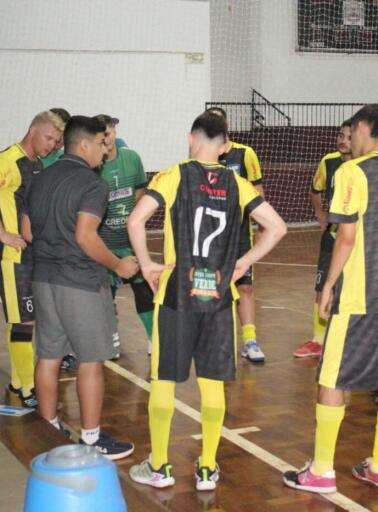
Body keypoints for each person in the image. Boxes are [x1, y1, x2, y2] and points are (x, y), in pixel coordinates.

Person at [127, 112, 286, 491]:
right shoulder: (238, 182)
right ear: (227, 145)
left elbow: (135, 222)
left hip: (177, 297)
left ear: (190, 138)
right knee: (212, 385)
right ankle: (207, 468)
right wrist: (243, 262)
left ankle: (161, 467)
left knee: (164, 380)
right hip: (218, 297)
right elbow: (277, 227)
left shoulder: (172, 175)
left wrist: (147, 264)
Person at [283, 104, 378, 493]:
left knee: (331, 379)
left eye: (352, 132)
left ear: (362, 129)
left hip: (359, 294)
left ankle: (321, 470)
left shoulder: (351, 172)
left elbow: (346, 236)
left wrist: (328, 285)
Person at [23, 115, 139, 459]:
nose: (107, 152)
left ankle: (48, 430)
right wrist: (119, 264)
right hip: (80, 284)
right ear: (85, 144)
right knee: (91, 360)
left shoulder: (39, 178)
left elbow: (28, 231)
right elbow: (85, 236)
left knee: (48, 356)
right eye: (103, 145)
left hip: (43, 279)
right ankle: (91, 439)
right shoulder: (93, 184)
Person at [0, 111, 64, 408]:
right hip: (12, 256)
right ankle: (28, 390)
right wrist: (2, 233)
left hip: (30, 254)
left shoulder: (35, 164)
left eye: (56, 141)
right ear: (32, 130)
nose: (51, 145)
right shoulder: (7, 160)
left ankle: (16, 379)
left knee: (21, 319)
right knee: (25, 321)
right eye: (48, 137)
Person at [205, 106, 266, 362]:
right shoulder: (202, 155)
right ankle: (215, 340)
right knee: (213, 288)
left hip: (240, 233)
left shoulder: (245, 153)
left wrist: (263, 226)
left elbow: (257, 191)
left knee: (246, 287)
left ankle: (250, 340)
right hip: (211, 234)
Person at [95, 114, 154, 357]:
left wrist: (133, 219)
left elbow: (141, 188)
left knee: (143, 289)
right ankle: (112, 339)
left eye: (110, 133)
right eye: (102, 135)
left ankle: (154, 338)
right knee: (105, 295)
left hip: (130, 241)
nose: (107, 139)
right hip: (104, 243)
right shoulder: (92, 166)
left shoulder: (132, 158)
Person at [293, 120, 352, 359]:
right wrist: (320, 215)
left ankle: (350, 340)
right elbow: (315, 191)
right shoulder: (328, 163)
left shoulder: (364, 165)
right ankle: (318, 340)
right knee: (321, 288)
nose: (343, 140)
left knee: (351, 291)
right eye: (340, 135)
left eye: (348, 136)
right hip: (333, 237)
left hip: (356, 239)